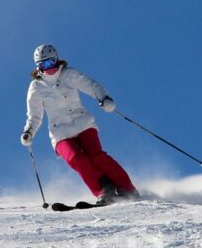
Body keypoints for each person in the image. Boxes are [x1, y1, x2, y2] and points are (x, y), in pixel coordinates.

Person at [21, 43, 137, 205]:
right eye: (44, 64)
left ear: (57, 60)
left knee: (97, 156)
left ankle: (126, 188)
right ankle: (105, 190)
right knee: (76, 158)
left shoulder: (69, 74)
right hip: (60, 132)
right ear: (38, 67)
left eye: (51, 62)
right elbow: (34, 116)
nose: (49, 67)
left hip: (82, 123)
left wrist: (104, 98)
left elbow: (91, 86)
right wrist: (29, 132)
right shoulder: (36, 87)